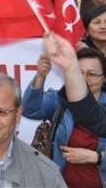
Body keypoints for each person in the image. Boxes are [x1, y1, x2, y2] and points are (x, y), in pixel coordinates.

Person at [22, 48, 106, 187]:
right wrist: (40, 76)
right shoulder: (59, 100)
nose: (84, 79)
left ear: (104, 78)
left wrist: (96, 157)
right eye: (78, 73)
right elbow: (30, 110)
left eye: (92, 74)